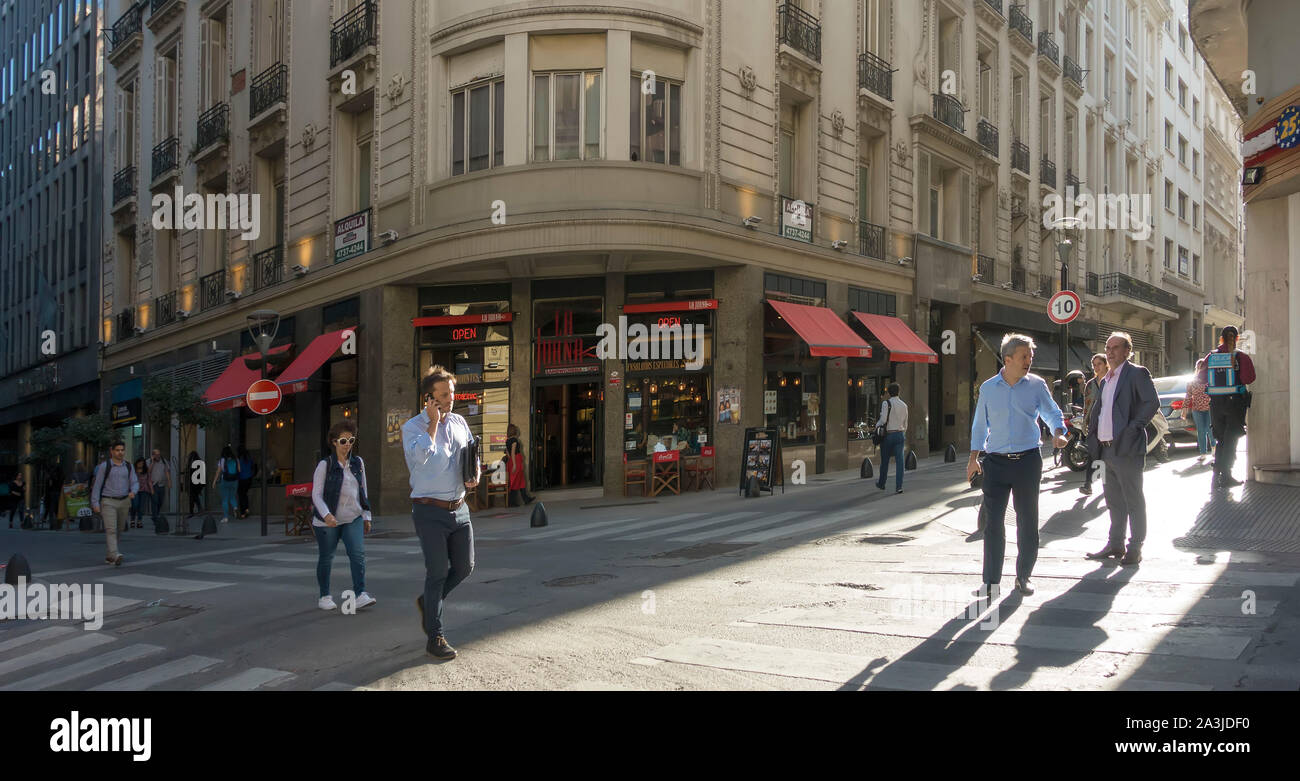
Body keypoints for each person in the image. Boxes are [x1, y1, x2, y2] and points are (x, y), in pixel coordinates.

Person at [967, 334, 1068, 598]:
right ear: (1008, 359)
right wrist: (973, 458)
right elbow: (980, 425)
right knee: (992, 524)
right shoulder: (988, 388)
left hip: (1028, 462)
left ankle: (1024, 576)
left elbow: (1052, 413)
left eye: (1031, 357)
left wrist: (1058, 432)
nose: (1029, 361)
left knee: (1027, 521)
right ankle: (990, 583)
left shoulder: (1036, 385)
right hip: (996, 463)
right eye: (1025, 357)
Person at [403, 366, 480, 661]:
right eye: (444, 394)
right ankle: (435, 636)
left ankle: (429, 601)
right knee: (436, 572)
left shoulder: (460, 421)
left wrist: (475, 476)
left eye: (452, 392)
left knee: (464, 567)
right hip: (429, 511)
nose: (451, 398)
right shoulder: (412, 428)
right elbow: (421, 459)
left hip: (460, 509)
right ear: (429, 399)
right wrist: (432, 425)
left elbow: (472, 456)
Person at [1084, 332, 1160, 566]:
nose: (1110, 352)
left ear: (1127, 351)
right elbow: (1101, 409)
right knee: (1114, 501)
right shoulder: (1106, 379)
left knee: (1133, 500)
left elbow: (1152, 402)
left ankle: (1135, 547)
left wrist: (1133, 428)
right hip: (1106, 450)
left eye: (1116, 347)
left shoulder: (1137, 373)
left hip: (1126, 448)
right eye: (1107, 347)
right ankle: (1115, 543)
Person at [310, 420, 376, 611]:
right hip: (328, 521)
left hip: (352, 517)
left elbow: (363, 490)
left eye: (351, 440)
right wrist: (326, 514)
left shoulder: (358, 463)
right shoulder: (325, 465)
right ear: (333, 442)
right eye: (343, 441)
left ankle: (360, 594)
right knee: (326, 557)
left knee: (357, 554)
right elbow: (316, 494)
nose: (347, 445)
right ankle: (324, 595)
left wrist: (367, 515)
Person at [1203, 325, 1255, 488]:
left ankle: (1217, 470)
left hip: (1216, 404)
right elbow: (1248, 378)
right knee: (1231, 440)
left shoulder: (1211, 356)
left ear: (1221, 338)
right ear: (1237, 338)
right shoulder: (1241, 357)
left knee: (1221, 439)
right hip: (1235, 404)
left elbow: (1200, 377)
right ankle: (1226, 476)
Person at [90, 440, 137, 566]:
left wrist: (134, 491)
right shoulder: (105, 466)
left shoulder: (128, 466)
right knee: (111, 529)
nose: (120, 452)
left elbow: (135, 482)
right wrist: (95, 503)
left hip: (124, 501)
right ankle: (115, 554)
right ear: (112, 451)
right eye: (117, 450)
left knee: (119, 529)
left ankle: (110, 555)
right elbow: (97, 485)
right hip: (108, 501)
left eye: (122, 450)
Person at [1080, 353, 1108, 495]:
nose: (1097, 367)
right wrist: (1085, 422)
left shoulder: (1112, 380)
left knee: (1106, 456)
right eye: (1094, 365)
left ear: (1106, 364)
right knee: (1093, 453)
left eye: (1099, 364)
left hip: (1109, 423)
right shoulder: (1090, 384)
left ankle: (1106, 487)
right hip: (1094, 423)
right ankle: (1088, 484)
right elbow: (1087, 405)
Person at [874, 382, 908, 494]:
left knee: (885, 461)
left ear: (888, 393)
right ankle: (899, 486)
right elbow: (905, 423)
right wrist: (903, 432)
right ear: (899, 392)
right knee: (900, 462)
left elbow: (883, 420)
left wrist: (876, 426)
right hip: (900, 434)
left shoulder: (886, 403)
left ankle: (882, 483)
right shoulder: (904, 405)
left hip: (888, 435)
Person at [1182, 358, 1216, 464]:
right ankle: (1203, 453)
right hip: (1197, 409)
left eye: (1203, 367)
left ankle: (1214, 448)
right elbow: (1188, 396)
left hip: (1209, 408)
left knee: (1210, 429)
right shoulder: (1191, 382)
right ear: (1197, 368)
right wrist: (1184, 410)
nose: (1201, 369)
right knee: (1201, 431)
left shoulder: (1210, 379)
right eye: (1199, 367)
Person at [504, 423, 535, 506]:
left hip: (511, 461)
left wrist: (511, 462)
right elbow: (513, 453)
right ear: (514, 431)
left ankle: (526, 499)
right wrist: (514, 464)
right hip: (516, 461)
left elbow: (508, 453)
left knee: (520, 480)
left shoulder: (507, 441)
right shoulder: (514, 440)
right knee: (515, 481)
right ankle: (511, 502)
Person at [216, 445, 240, 524]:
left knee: (225, 499)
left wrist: (214, 481)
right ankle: (235, 507)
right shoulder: (236, 459)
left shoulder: (222, 460)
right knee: (232, 497)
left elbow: (218, 472)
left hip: (225, 481)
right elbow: (239, 470)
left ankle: (226, 517)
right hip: (234, 481)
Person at [130, 459, 153, 529]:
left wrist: (151, 489)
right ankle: (132, 519)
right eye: (139, 463)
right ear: (136, 463)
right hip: (135, 491)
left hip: (144, 490)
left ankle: (139, 521)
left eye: (142, 463)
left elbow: (149, 480)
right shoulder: (133, 470)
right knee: (135, 505)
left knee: (141, 507)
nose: (140, 464)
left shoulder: (146, 471)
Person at [40, 464, 63, 528]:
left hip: (52, 493)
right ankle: (58, 524)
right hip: (58, 493)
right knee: (57, 510)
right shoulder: (61, 476)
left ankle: (52, 525)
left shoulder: (51, 477)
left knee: (51, 509)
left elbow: (49, 486)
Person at [236, 445, 254, 519]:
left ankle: (243, 512)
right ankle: (246, 509)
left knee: (241, 495)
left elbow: (238, 470)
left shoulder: (239, 459)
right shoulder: (249, 458)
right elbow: (253, 467)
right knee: (244, 494)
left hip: (242, 479)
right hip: (249, 478)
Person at [186, 450, 205, 515]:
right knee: (195, 497)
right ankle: (199, 510)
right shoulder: (200, 463)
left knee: (193, 497)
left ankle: (192, 511)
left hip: (192, 484)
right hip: (197, 484)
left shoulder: (191, 463)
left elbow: (188, 474)